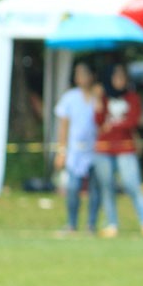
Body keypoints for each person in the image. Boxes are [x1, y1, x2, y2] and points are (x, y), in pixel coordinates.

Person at [92, 61, 143, 239]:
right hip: (104, 149)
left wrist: (112, 127)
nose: (119, 80)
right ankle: (111, 223)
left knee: (132, 185)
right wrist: (98, 101)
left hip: (125, 147)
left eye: (122, 76)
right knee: (107, 187)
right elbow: (98, 122)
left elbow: (133, 122)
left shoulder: (132, 98)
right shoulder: (103, 97)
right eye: (116, 76)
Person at [53, 61, 102, 235]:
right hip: (75, 149)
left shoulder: (98, 96)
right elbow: (64, 126)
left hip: (96, 148)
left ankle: (91, 224)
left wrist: (99, 100)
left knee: (95, 189)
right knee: (73, 187)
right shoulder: (70, 97)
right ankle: (72, 223)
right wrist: (62, 150)